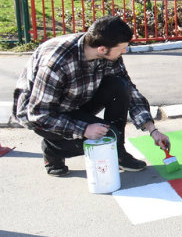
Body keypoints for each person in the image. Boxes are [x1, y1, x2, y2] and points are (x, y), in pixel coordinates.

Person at [13, 15, 171, 177]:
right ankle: (52, 149)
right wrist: (84, 129)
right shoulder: (56, 63)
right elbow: (39, 115)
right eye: (122, 48)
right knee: (108, 137)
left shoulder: (107, 52)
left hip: (76, 101)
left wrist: (152, 129)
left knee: (120, 86)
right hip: (45, 115)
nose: (124, 51)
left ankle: (118, 153)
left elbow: (129, 90)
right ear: (102, 49)